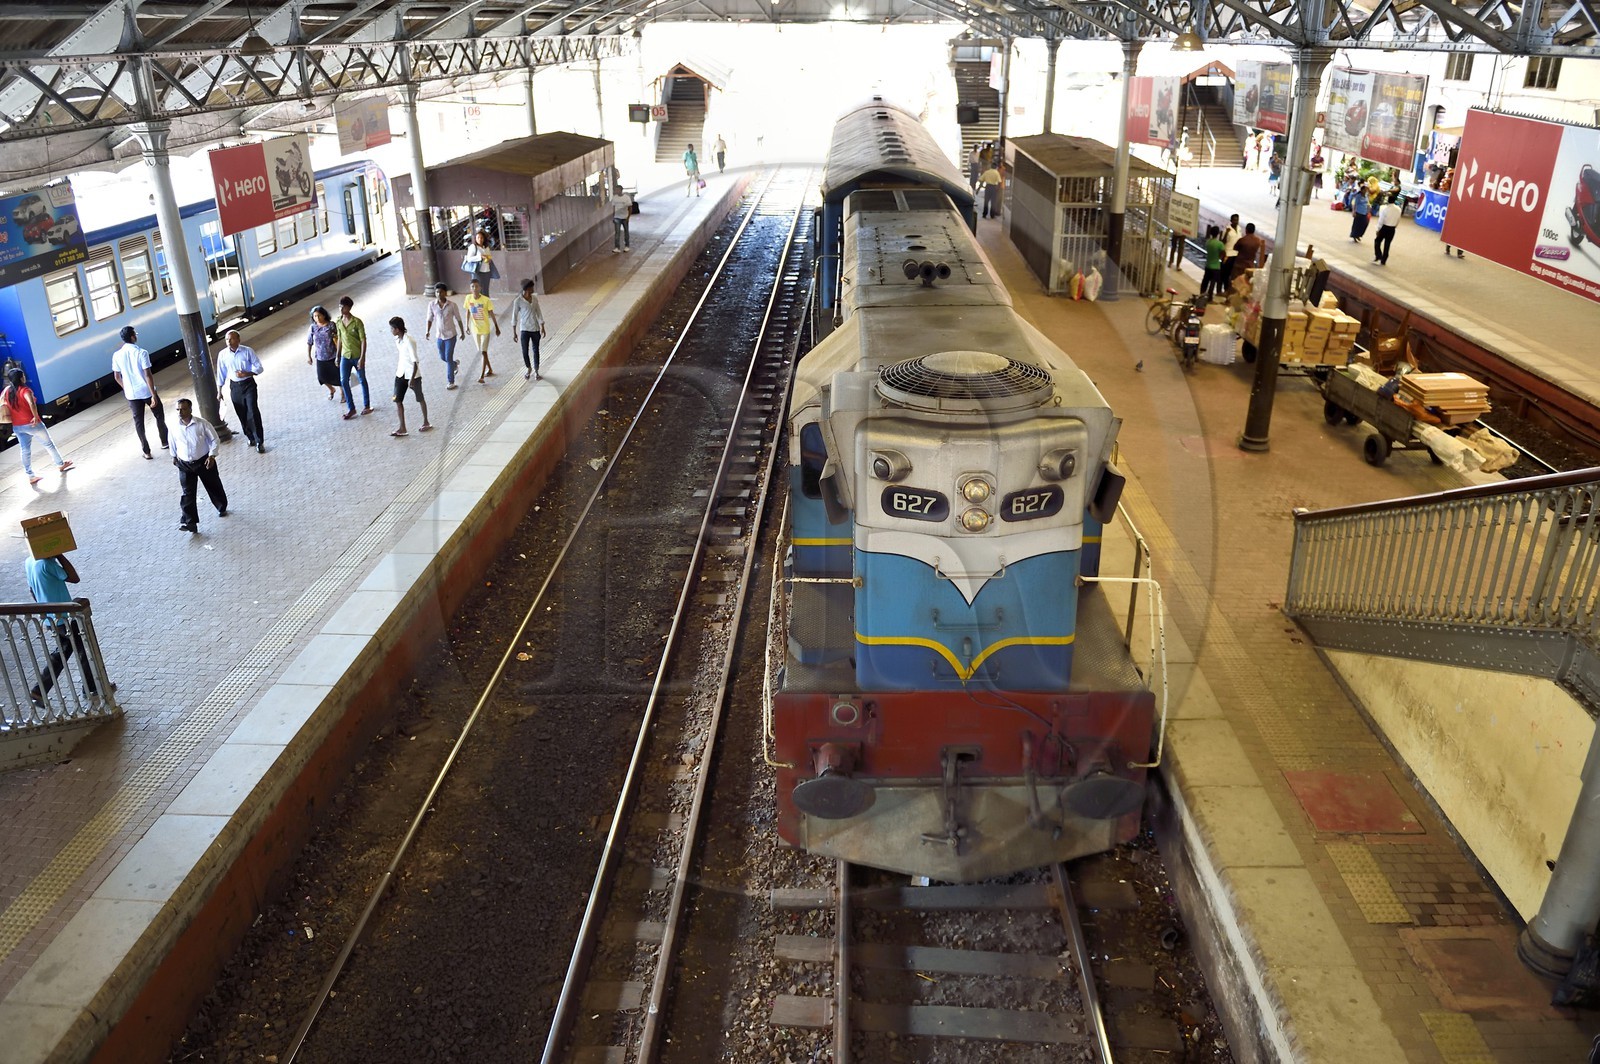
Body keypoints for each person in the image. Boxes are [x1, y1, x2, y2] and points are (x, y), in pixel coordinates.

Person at [23, 551, 95, 705]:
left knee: (62, 652)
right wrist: (60, 555)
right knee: (84, 650)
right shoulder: (48, 564)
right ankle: (91, 688)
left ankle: (39, 691)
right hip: (64, 617)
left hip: (51, 618)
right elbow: (74, 578)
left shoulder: (29, 561)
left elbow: (32, 590)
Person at [4, 368, 72, 485]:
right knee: (48, 444)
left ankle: (30, 476)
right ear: (21, 378)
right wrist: (35, 416)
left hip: (18, 426)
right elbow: (31, 402)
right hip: (32, 424)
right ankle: (60, 464)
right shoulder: (25, 390)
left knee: (25, 450)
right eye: (23, 375)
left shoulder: (7, 391)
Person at [170, 397, 227, 534]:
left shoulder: (202, 424)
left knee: (213, 485)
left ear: (190, 409)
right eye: (178, 409)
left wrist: (212, 456)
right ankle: (190, 523)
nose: (180, 412)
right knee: (187, 493)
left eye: (183, 409)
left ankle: (221, 506)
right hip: (184, 464)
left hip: (204, 462)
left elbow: (214, 439)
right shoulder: (174, 427)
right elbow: (172, 441)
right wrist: (174, 456)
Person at [111, 325, 169, 459]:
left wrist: (126, 388)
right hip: (146, 391)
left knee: (139, 423)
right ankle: (164, 442)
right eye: (135, 334)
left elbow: (117, 376)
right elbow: (148, 375)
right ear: (132, 337)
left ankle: (146, 452)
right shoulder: (142, 352)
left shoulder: (117, 355)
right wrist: (153, 395)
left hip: (132, 395)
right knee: (159, 415)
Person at [215, 330, 266, 453]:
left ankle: (259, 441)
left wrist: (247, 373)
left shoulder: (247, 351)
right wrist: (219, 391)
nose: (229, 341)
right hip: (235, 387)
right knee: (241, 413)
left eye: (231, 339)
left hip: (248, 385)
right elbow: (221, 373)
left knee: (252, 411)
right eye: (227, 339)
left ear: (238, 340)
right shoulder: (223, 355)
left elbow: (259, 367)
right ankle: (250, 437)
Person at [389, 316, 433, 437]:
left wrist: (412, 379)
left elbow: (415, 361)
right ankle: (402, 427)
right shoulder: (397, 340)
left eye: (392, 328)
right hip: (400, 373)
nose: (391, 331)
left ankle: (426, 422)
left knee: (420, 398)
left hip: (413, 375)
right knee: (397, 400)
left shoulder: (410, 341)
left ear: (397, 329)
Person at [335, 295, 372, 420]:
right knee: (343, 381)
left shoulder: (357, 322)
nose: (341, 309)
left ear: (349, 308)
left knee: (362, 379)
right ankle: (351, 408)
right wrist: (337, 356)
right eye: (339, 306)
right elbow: (340, 339)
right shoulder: (338, 322)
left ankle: (367, 405)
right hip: (345, 356)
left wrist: (362, 358)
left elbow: (363, 340)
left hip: (356, 356)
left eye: (343, 307)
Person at [424, 281, 465, 390]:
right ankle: (454, 364)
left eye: (441, 292)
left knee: (448, 357)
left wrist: (462, 332)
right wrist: (427, 331)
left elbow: (458, 319)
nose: (438, 294)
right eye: (437, 292)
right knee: (443, 357)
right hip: (439, 336)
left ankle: (451, 381)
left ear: (445, 293)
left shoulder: (452, 305)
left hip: (451, 335)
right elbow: (429, 319)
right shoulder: (432, 305)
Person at [464, 278, 500, 383]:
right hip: (475, 330)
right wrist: (467, 326)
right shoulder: (468, 298)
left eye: (476, 286)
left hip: (485, 330)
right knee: (481, 352)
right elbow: (468, 312)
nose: (475, 288)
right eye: (472, 286)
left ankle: (482, 376)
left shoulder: (486, 300)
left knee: (483, 351)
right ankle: (490, 369)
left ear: (480, 288)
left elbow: (491, 314)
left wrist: (496, 327)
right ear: (470, 288)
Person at [512, 278, 547, 381]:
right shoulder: (518, 301)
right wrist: (514, 332)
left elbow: (538, 312)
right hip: (524, 329)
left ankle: (536, 370)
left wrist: (542, 326)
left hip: (535, 328)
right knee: (525, 351)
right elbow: (514, 317)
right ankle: (528, 368)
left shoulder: (534, 299)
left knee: (536, 350)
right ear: (527, 289)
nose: (533, 289)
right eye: (531, 288)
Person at [306, 305, 340, 402]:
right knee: (322, 377)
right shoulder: (313, 327)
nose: (317, 318)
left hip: (333, 355)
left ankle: (343, 394)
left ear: (324, 315)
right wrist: (308, 356)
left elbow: (337, 339)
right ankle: (332, 389)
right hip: (320, 357)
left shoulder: (331, 325)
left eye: (319, 315)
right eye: (315, 316)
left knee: (338, 377)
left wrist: (339, 354)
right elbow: (309, 342)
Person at [1373, 195, 1403, 266]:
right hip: (1392, 228)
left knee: (1377, 241)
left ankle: (1378, 255)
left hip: (1384, 227)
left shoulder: (1385, 209)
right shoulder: (1398, 209)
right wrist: (1395, 226)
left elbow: (1381, 220)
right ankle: (1384, 259)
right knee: (1387, 244)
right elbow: (1398, 219)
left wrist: (1378, 229)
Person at [462, 229, 495, 293]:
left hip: (487, 271)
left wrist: (488, 259)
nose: (480, 239)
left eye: (481, 238)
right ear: (475, 239)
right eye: (478, 237)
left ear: (484, 239)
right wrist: (480, 257)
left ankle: (486, 299)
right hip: (478, 271)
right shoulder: (473, 247)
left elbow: (489, 256)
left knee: (485, 289)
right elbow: (469, 259)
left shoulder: (486, 247)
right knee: (478, 290)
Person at [1201, 225, 1224, 296]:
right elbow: (1223, 253)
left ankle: (1202, 293)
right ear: (1218, 233)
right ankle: (1210, 297)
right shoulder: (1220, 244)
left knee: (1205, 280)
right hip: (1216, 266)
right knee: (1213, 282)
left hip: (1208, 265)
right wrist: (1219, 257)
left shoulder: (1208, 242)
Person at [1220, 214, 1242, 286]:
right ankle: (1222, 287)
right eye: (1234, 220)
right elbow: (1223, 242)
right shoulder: (1227, 229)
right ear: (1231, 221)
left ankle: (1228, 288)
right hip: (1228, 254)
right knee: (1225, 273)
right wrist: (1226, 233)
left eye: (1237, 220)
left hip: (1236, 254)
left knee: (1232, 273)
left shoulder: (1239, 229)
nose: (1236, 222)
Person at [612, 186, 634, 253]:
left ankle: (627, 246)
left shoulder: (626, 198)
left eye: (617, 190)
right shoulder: (614, 198)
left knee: (626, 232)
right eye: (615, 190)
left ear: (621, 190)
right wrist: (613, 216)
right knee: (617, 233)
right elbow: (613, 208)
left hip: (625, 217)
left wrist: (628, 217)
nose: (616, 191)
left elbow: (630, 207)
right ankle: (617, 247)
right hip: (617, 217)